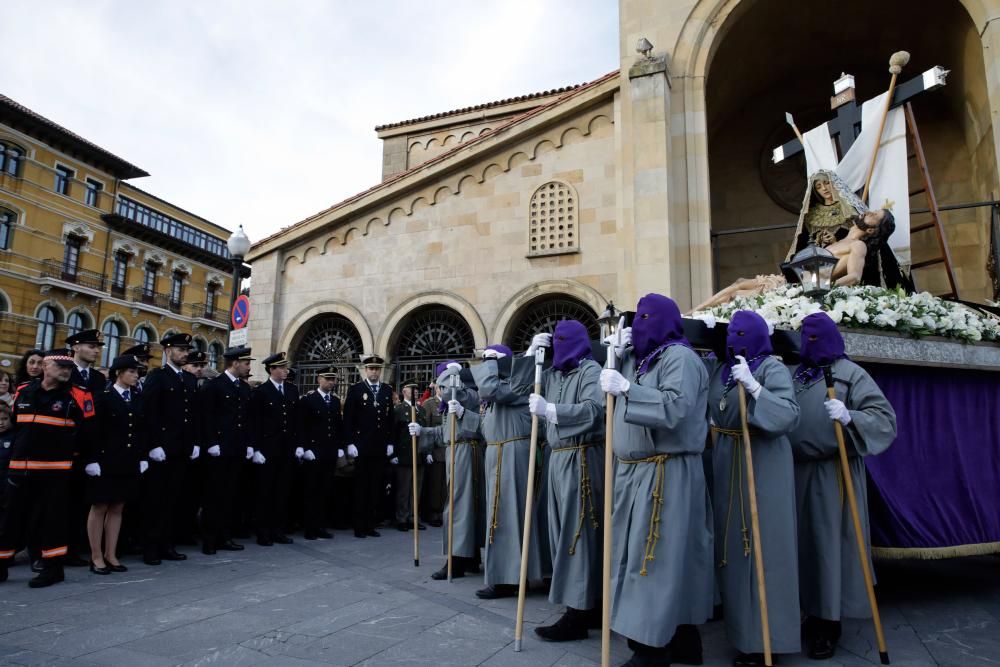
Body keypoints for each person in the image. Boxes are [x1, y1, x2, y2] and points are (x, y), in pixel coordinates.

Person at [599, 294, 713, 666]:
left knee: (655, 558)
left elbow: (675, 407)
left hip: (665, 471)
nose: (641, 324)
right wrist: (617, 357)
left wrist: (628, 388)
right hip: (637, 472)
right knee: (649, 555)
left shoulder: (680, 357)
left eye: (648, 317)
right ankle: (680, 638)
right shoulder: (644, 360)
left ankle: (653, 648)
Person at [787, 312, 897, 660]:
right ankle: (804, 613)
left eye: (816, 336)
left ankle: (827, 624)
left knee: (827, 548)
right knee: (800, 546)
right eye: (805, 335)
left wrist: (852, 417)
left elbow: (884, 419)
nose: (810, 342)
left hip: (832, 472)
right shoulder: (796, 374)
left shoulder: (851, 374)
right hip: (793, 472)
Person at [707, 311, 801, 666]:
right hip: (729, 458)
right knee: (734, 549)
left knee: (766, 549)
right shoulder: (722, 368)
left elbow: (789, 414)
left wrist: (756, 388)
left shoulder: (771, 369)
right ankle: (742, 633)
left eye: (742, 333)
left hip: (762, 462)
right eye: (731, 333)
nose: (735, 339)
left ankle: (769, 640)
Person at [526, 320, 606, 642]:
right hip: (558, 457)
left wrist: (552, 410)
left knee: (578, 533)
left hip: (582, 456)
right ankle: (587, 603)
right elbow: (521, 389)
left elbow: (593, 410)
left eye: (563, 340)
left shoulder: (589, 370)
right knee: (563, 532)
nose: (559, 345)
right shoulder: (553, 374)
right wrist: (531, 355)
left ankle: (578, 611)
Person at [452, 345, 547, 599]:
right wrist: (464, 415)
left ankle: (513, 576)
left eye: (491, 362)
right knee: (500, 515)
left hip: (513, 452)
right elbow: (485, 427)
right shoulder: (497, 393)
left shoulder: (514, 385)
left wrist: (495, 364)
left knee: (510, 515)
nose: (486, 366)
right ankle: (506, 574)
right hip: (497, 452)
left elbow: (492, 389)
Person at [0, 348, 97, 587]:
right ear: (46, 366)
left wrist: (80, 461)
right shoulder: (24, 390)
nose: (66, 371)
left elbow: (89, 434)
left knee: (50, 521)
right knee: (10, 519)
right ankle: (2, 565)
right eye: (61, 366)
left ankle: (52, 569)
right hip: (20, 468)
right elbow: (16, 425)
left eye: (69, 368)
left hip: (55, 471)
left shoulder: (79, 395)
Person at [409, 360, 486, 579]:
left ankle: (456, 559)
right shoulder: (450, 401)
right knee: (463, 506)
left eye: (441, 385)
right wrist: (422, 430)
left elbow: (475, 418)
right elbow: (446, 432)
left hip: (465, 452)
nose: (438, 390)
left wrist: (459, 405)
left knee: (457, 507)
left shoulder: (465, 394)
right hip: (456, 451)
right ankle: (469, 556)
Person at [84, 355, 148, 575]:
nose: (136, 375)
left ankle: (111, 553)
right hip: (105, 460)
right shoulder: (103, 397)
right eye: (131, 371)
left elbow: (140, 430)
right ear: (118, 373)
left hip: (127, 460)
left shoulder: (137, 397)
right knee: (100, 506)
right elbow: (92, 431)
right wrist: (91, 459)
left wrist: (141, 457)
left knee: (118, 507)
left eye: (136, 371)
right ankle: (96, 555)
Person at [139, 333, 198, 565]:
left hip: (181, 448)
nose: (184, 354)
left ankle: (167, 543)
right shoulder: (158, 377)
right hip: (162, 448)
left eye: (186, 350)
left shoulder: (189, 379)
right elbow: (148, 413)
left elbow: (192, 415)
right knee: (155, 500)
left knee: (173, 499)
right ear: (167, 351)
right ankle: (150, 546)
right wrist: (153, 444)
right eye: (180, 350)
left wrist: (193, 442)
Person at [199, 346, 255, 554]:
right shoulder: (215, 386)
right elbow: (207, 417)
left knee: (230, 495)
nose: (248, 367)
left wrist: (249, 443)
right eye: (246, 363)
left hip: (237, 447)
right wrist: (211, 442)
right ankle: (209, 539)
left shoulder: (243, 388)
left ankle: (225, 536)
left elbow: (247, 418)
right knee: (214, 495)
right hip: (219, 448)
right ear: (235, 363)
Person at [250, 352, 298, 546]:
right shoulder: (262, 392)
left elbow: (296, 420)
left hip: (286, 449)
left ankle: (278, 530)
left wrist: (298, 445)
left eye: (286, 367)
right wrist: (256, 449)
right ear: (272, 369)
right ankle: (263, 532)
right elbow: (255, 422)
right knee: (265, 493)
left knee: (282, 492)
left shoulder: (292, 390)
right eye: (282, 367)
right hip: (268, 449)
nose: (286, 371)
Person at [342, 354, 394, 538]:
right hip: (362, 445)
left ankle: (371, 524)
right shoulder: (356, 389)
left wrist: (390, 442)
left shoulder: (387, 390)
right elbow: (348, 418)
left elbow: (390, 419)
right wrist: (349, 442)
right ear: (365, 370)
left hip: (379, 446)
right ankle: (359, 525)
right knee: (361, 487)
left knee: (376, 487)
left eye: (377, 369)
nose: (374, 371)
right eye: (371, 368)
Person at [298, 367, 344, 539]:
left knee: (325, 491)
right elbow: (302, 425)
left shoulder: (334, 401)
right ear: (319, 379)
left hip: (329, 452)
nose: (331, 382)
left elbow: (337, 426)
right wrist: (305, 447)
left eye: (333, 379)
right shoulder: (309, 400)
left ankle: (321, 526)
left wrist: (339, 446)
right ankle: (310, 527)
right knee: (311, 491)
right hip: (313, 451)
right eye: (328, 379)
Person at [391, 383, 428, 532]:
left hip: (419, 453)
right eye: (412, 389)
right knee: (404, 489)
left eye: (417, 390)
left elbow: (425, 431)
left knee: (416, 489)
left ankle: (413, 517)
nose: (415, 392)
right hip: (404, 454)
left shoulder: (421, 410)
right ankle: (402, 518)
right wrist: (393, 454)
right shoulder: (399, 410)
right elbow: (394, 433)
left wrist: (428, 451)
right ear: (404, 391)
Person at [420, 381, 446, 528]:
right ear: (436, 388)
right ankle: (433, 513)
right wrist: (428, 451)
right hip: (435, 450)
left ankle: (442, 511)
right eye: (441, 387)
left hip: (447, 449)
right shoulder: (430, 404)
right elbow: (425, 428)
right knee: (435, 484)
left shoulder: (450, 403)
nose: (443, 390)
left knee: (444, 484)